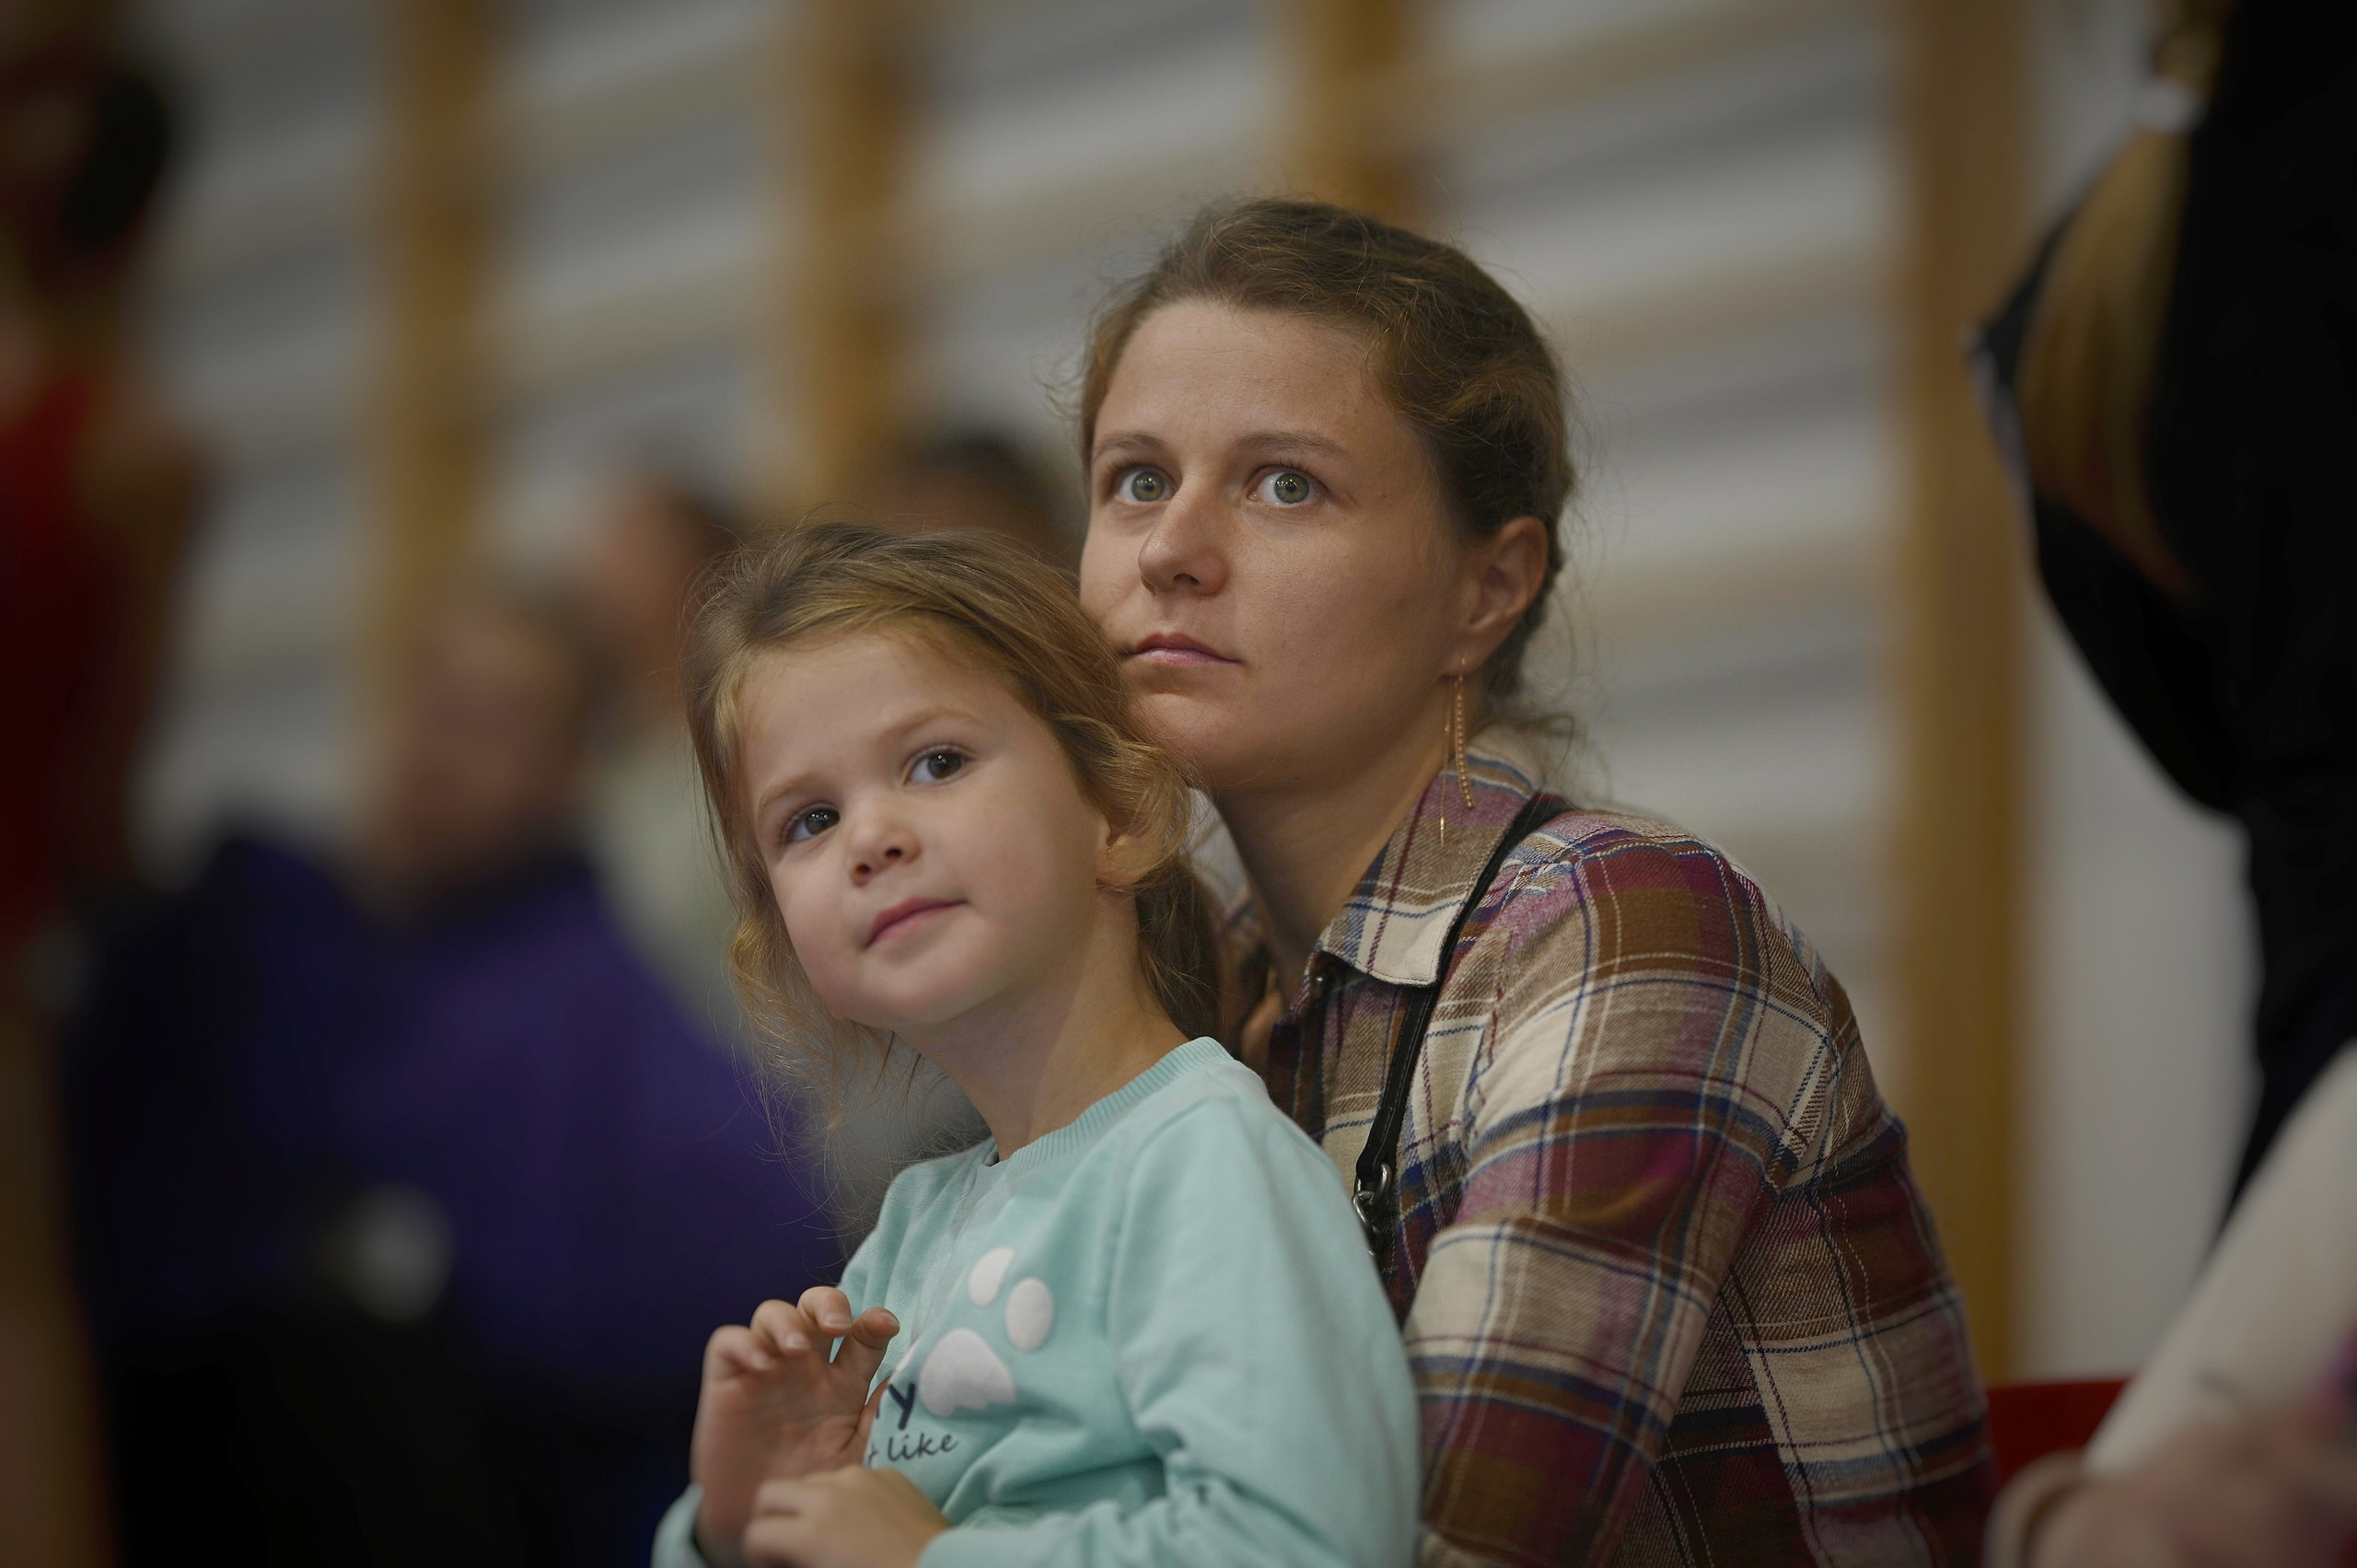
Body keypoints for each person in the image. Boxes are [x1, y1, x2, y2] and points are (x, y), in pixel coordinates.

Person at [1071, 198, 1995, 1563]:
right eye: (1137, 478)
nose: (1171, 549)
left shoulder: (1623, 924)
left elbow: (1452, 1546)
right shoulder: (1198, 986)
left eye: (1285, 484)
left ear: (1486, 589)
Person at [654, 521, 1418, 1568]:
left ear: (1116, 811)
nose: (870, 836)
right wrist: (738, 1527)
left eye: (936, 761)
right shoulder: (911, 1234)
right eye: (807, 819)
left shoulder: (1200, 1161)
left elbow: (1306, 1543)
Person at [65, 583, 837, 1568]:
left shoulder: (583, 995)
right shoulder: (250, 936)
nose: (440, 749)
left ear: (569, 770)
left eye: (498, 723)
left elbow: (758, 1239)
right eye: (435, 700)